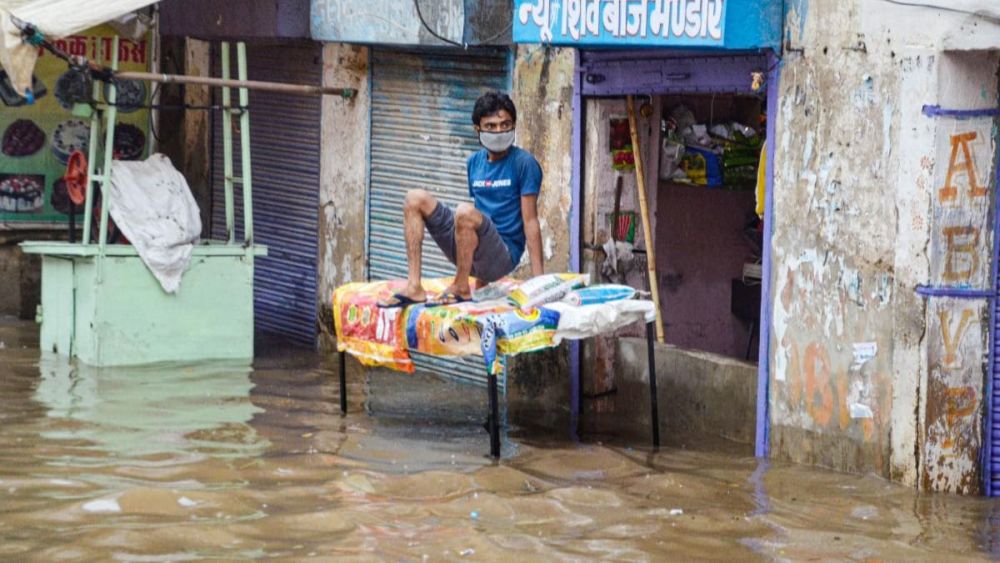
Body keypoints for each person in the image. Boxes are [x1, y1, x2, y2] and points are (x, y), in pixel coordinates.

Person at [379, 91, 544, 307]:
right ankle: (414, 287)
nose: (499, 131)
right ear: (478, 129)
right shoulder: (474, 163)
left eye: (505, 125)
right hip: (476, 254)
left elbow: (530, 221)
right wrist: (482, 285)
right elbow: (480, 219)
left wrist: (540, 282)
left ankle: (461, 285)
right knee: (414, 198)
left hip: (503, 255)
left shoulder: (524, 163)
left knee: (464, 212)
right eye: (491, 126)